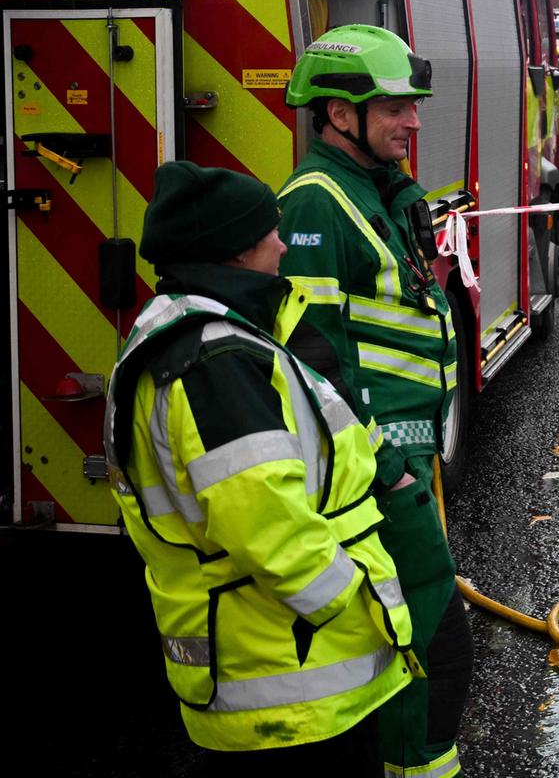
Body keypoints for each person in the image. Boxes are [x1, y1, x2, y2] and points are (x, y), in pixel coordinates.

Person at [104, 161, 418, 771]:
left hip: (283, 662)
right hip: (292, 675)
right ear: (235, 251)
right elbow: (262, 521)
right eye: (269, 232)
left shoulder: (198, 333)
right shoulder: (215, 361)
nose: (281, 244)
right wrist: (350, 604)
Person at [278, 25, 471, 778]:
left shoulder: (376, 190)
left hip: (408, 453)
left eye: (412, 105)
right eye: (394, 107)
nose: (414, 121)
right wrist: (386, 465)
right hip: (380, 467)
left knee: (421, 636)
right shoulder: (315, 206)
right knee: (432, 643)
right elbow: (310, 361)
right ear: (337, 114)